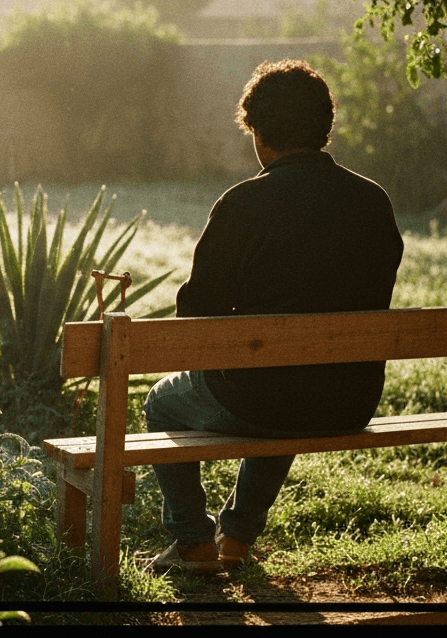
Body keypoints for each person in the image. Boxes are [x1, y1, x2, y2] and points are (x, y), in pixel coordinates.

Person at [145, 59, 404, 573]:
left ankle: (194, 543)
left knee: (164, 404)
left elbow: (194, 318)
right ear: (324, 129)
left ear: (259, 133)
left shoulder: (243, 204)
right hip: (350, 397)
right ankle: (237, 539)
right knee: (289, 380)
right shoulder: (373, 202)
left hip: (265, 396)